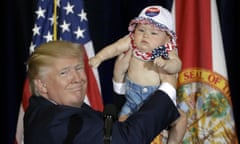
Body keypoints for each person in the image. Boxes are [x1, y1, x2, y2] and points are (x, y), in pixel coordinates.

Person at [23, 40, 180, 144]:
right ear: (42, 86)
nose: (77, 79)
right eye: (64, 73)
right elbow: (127, 140)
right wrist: (168, 86)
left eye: (78, 68)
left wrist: (119, 82)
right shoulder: (57, 122)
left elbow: (109, 126)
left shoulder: (44, 108)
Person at [89, 5, 187, 143]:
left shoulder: (165, 50)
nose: (145, 35)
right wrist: (99, 57)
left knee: (181, 119)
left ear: (167, 37)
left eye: (154, 33)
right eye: (141, 30)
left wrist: (166, 64)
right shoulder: (132, 42)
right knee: (123, 124)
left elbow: (177, 64)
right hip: (133, 100)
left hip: (156, 99)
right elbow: (115, 48)